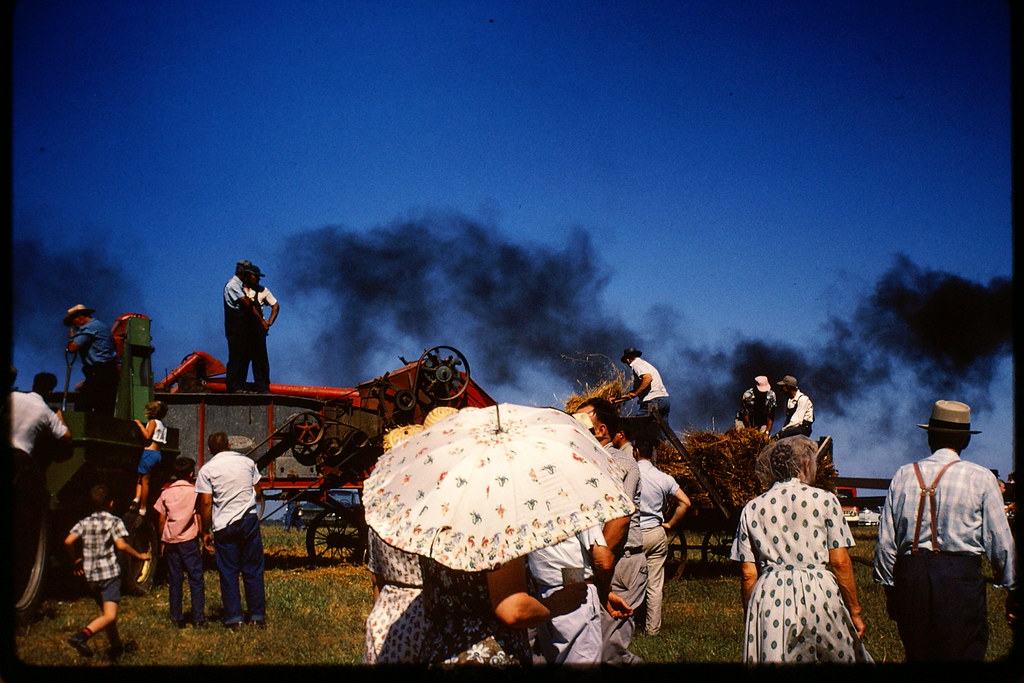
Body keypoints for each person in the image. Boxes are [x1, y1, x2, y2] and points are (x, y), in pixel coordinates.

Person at [872, 400, 1017, 662]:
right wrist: (1013, 588)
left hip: (911, 579)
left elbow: (885, 543)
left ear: (930, 437)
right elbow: (1001, 543)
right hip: (959, 581)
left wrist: (891, 590)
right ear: (966, 441)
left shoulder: (904, 475)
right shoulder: (981, 478)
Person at [730, 436, 872, 664]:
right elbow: (840, 562)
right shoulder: (826, 501)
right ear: (806, 465)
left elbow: (748, 574)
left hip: (770, 598)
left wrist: (752, 615)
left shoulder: (752, 508)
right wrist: (854, 611)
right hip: (819, 593)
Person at [418, 553, 588, 666]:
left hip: (439, 651)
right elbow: (513, 609)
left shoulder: (438, 518)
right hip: (490, 654)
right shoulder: (498, 526)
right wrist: (557, 604)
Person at [575, 397, 646, 665]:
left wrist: (599, 563)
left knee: (610, 650)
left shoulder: (619, 462)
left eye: (581, 421)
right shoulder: (583, 463)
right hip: (598, 561)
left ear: (601, 429)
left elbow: (620, 520)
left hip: (619, 561)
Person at [64, 483, 151, 659]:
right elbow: (121, 545)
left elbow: (68, 541)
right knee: (110, 616)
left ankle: (116, 646)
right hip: (109, 575)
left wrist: (75, 561)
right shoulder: (114, 521)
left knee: (106, 613)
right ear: (111, 504)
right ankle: (82, 636)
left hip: (91, 576)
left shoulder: (85, 522)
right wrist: (139, 556)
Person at [526, 524, 632, 665]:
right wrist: (605, 589)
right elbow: (604, 560)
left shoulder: (524, 506)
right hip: (574, 588)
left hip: (542, 589)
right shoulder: (577, 505)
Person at [196, 431, 267, 630]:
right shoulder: (247, 462)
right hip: (248, 521)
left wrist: (205, 531)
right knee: (253, 569)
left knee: (228, 571)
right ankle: (257, 616)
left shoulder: (206, 470)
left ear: (210, 450)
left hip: (224, 525)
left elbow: (206, 501)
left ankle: (234, 619)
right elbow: (258, 491)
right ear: (228, 444)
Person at [635, 445, 690, 636]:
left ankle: (628, 624)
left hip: (634, 533)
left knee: (629, 580)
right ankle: (653, 629)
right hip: (656, 533)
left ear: (635, 452)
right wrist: (670, 524)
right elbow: (685, 502)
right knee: (655, 584)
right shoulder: (664, 478)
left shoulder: (629, 474)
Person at [153, 456, 206, 628]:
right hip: (189, 540)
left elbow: (162, 519)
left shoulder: (166, 493)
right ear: (191, 474)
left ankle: (177, 618)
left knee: (175, 579)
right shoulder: (194, 492)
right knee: (196, 578)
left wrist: (162, 540)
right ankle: (198, 618)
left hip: (171, 540)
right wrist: (202, 533)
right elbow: (199, 514)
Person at [64, 304, 119, 413]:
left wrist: (72, 338)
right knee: (104, 408)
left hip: (99, 372)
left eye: (73, 321)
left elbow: (73, 348)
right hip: (109, 372)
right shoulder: (101, 326)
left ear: (80, 317)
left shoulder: (89, 327)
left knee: (82, 406)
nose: (74, 325)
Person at [7, 366, 71, 457]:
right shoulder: (48, 413)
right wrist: (59, 413)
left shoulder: (12, 396)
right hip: (21, 458)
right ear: (50, 392)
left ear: (33, 384)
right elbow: (66, 437)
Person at [222, 261, 265, 393]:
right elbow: (246, 303)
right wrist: (261, 320)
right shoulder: (233, 285)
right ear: (245, 274)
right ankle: (234, 386)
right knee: (237, 357)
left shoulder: (239, 286)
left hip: (242, 329)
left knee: (244, 356)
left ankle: (240, 384)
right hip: (235, 328)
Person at [242, 263, 279, 393]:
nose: (258, 279)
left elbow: (275, 306)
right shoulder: (238, 289)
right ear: (247, 276)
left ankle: (262, 387)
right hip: (243, 330)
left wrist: (269, 322)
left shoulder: (263, 291)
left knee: (260, 361)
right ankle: (240, 386)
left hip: (258, 331)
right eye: (255, 276)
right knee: (242, 359)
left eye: (258, 277)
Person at [131, 400, 169, 517]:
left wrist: (139, 425)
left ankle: (142, 507)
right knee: (141, 477)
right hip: (158, 454)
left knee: (144, 481)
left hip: (149, 453)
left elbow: (147, 436)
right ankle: (136, 499)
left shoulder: (153, 422)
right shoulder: (163, 425)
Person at [616, 348, 670, 422]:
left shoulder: (636, 364)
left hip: (653, 402)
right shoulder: (644, 364)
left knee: (639, 425)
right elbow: (634, 392)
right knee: (661, 429)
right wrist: (617, 400)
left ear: (628, 360)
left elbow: (647, 378)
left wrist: (636, 393)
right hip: (664, 401)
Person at [773, 375, 813, 439]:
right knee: (774, 437)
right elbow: (788, 419)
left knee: (782, 434)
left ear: (787, 387)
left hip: (803, 428)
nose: (781, 389)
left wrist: (783, 430)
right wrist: (783, 429)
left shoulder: (803, 399)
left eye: (782, 387)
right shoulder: (788, 400)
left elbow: (797, 420)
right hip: (792, 427)